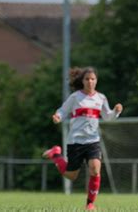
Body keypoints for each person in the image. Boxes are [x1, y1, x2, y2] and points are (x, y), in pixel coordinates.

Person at [42, 67, 123, 211]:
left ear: (96, 81)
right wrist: (58, 117)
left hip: (93, 141)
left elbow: (107, 116)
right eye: (87, 79)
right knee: (71, 176)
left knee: (95, 169)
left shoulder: (101, 98)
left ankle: (90, 204)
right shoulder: (75, 97)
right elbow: (63, 110)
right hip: (75, 141)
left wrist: (116, 112)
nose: (90, 82)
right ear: (82, 81)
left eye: (93, 79)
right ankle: (56, 155)